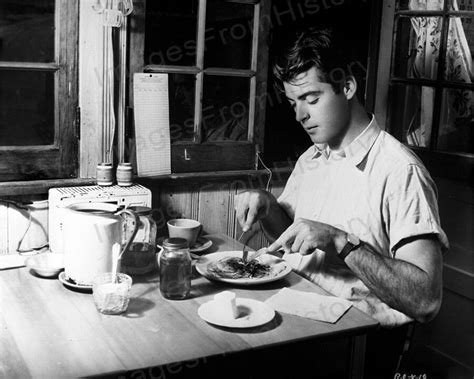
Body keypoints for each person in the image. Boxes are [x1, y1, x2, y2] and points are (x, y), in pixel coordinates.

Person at [234, 27, 449, 376]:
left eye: (312, 99)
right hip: (299, 319)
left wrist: (341, 242)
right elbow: (296, 236)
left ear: (347, 87)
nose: (299, 115)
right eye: (293, 103)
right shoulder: (313, 158)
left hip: (353, 346)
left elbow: (425, 300)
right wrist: (268, 206)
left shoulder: (400, 170)